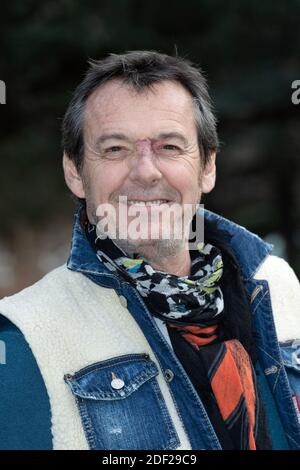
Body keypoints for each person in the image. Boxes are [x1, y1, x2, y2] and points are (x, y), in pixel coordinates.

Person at [0, 51, 299, 450]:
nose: (145, 171)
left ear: (207, 166)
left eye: (170, 147)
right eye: (115, 149)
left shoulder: (277, 284)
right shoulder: (26, 338)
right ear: (75, 172)